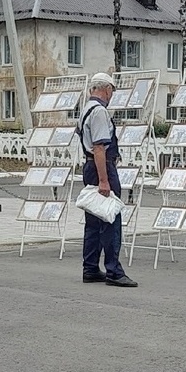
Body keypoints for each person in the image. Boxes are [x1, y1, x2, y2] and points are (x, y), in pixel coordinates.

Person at [77, 72, 138, 287]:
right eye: (112, 90)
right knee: (111, 217)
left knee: (93, 220)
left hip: (90, 166)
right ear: (107, 89)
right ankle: (113, 270)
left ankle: (90, 267)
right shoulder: (100, 112)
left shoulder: (86, 108)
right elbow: (99, 147)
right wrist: (104, 180)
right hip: (101, 167)